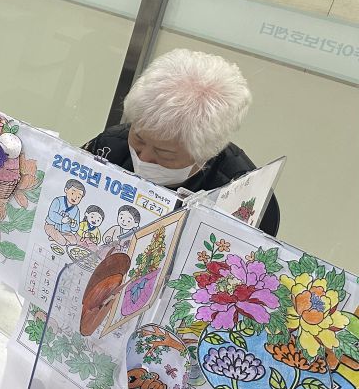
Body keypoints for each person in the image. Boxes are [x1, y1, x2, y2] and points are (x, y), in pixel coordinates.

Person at [84, 48, 280, 236]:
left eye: (164, 153)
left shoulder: (245, 197)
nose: (143, 158)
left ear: (208, 152)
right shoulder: (109, 146)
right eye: (138, 139)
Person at [44, 178, 85, 246]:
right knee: (62, 241)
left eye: (78, 197)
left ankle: (55, 237)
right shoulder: (58, 200)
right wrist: (61, 220)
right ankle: (58, 238)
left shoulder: (76, 210)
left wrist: (73, 225)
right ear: (66, 190)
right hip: (51, 226)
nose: (75, 198)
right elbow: (51, 214)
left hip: (65, 232)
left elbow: (76, 227)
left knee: (74, 241)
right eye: (72, 193)